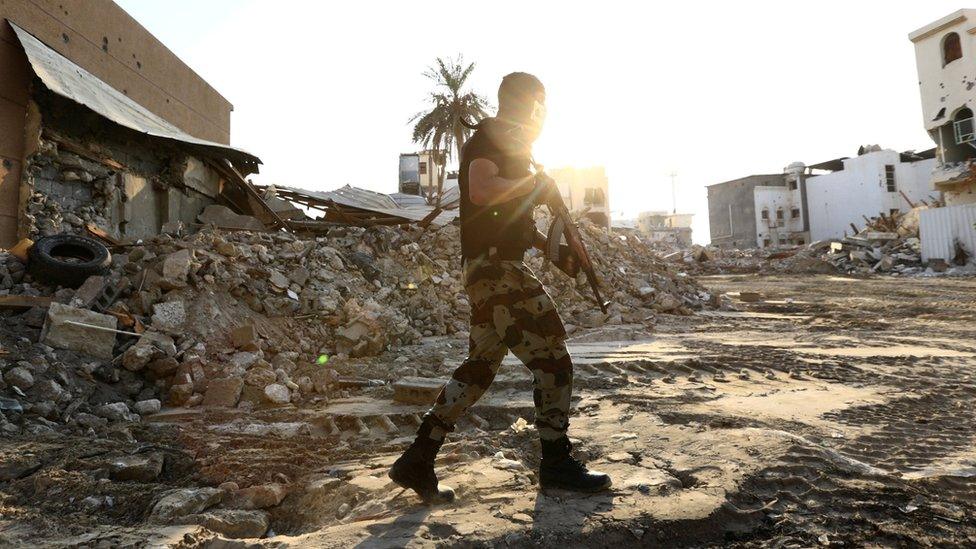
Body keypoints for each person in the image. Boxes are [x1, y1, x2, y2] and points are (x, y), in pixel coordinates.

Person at [388, 72, 612, 503]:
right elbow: (482, 190)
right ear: (529, 104)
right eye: (540, 105)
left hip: (490, 267)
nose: (542, 116)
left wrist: (555, 251)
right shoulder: (490, 139)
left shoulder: (516, 149)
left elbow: (511, 222)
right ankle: (556, 464)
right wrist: (535, 184)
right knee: (554, 363)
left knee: (479, 370)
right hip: (495, 271)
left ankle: (418, 458)